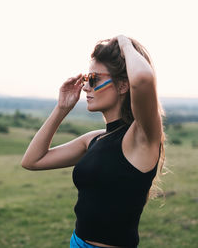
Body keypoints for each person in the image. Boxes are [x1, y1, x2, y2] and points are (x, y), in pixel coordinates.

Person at [21, 35, 166, 248]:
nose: (86, 87)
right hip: (76, 242)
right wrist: (62, 108)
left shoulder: (140, 138)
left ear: (124, 85)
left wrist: (124, 41)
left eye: (94, 79)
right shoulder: (95, 139)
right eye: (87, 78)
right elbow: (32, 160)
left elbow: (143, 78)